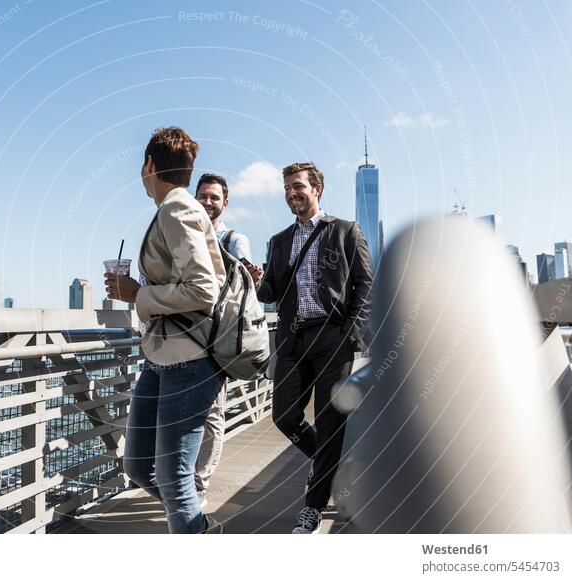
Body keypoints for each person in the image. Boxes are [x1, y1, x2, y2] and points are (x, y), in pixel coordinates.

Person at [104, 127, 226, 534]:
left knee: (174, 477)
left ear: (150, 166)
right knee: (138, 465)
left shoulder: (178, 210)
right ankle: (197, 525)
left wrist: (139, 294)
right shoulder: (171, 210)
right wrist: (140, 296)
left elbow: (203, 288)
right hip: (161, 359)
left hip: (189, 361)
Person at [251, 162, 373, 534]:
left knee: (330, 422)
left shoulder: (344, 230)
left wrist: (350, 334)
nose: (292, 193)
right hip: (291, 340)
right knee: (285, 417)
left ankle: (313, 507)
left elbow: (366, 284)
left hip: (332, 338)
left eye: (298, 186)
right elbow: (271, 292)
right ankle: (334, 468)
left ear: (316, 189)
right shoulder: (279, 241)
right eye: (287, 188)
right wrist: (257, 279)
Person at [193, 173, 262, 507]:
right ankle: (178, 479)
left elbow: (245, 281)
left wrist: (251, 272)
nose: (208, 202)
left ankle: (198, 484)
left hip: (218, 337)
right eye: (203, 196)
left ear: (225, 203)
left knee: (211, 412)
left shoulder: (234, 239)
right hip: (185, 335)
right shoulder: (185, 234)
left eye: (214, 197)